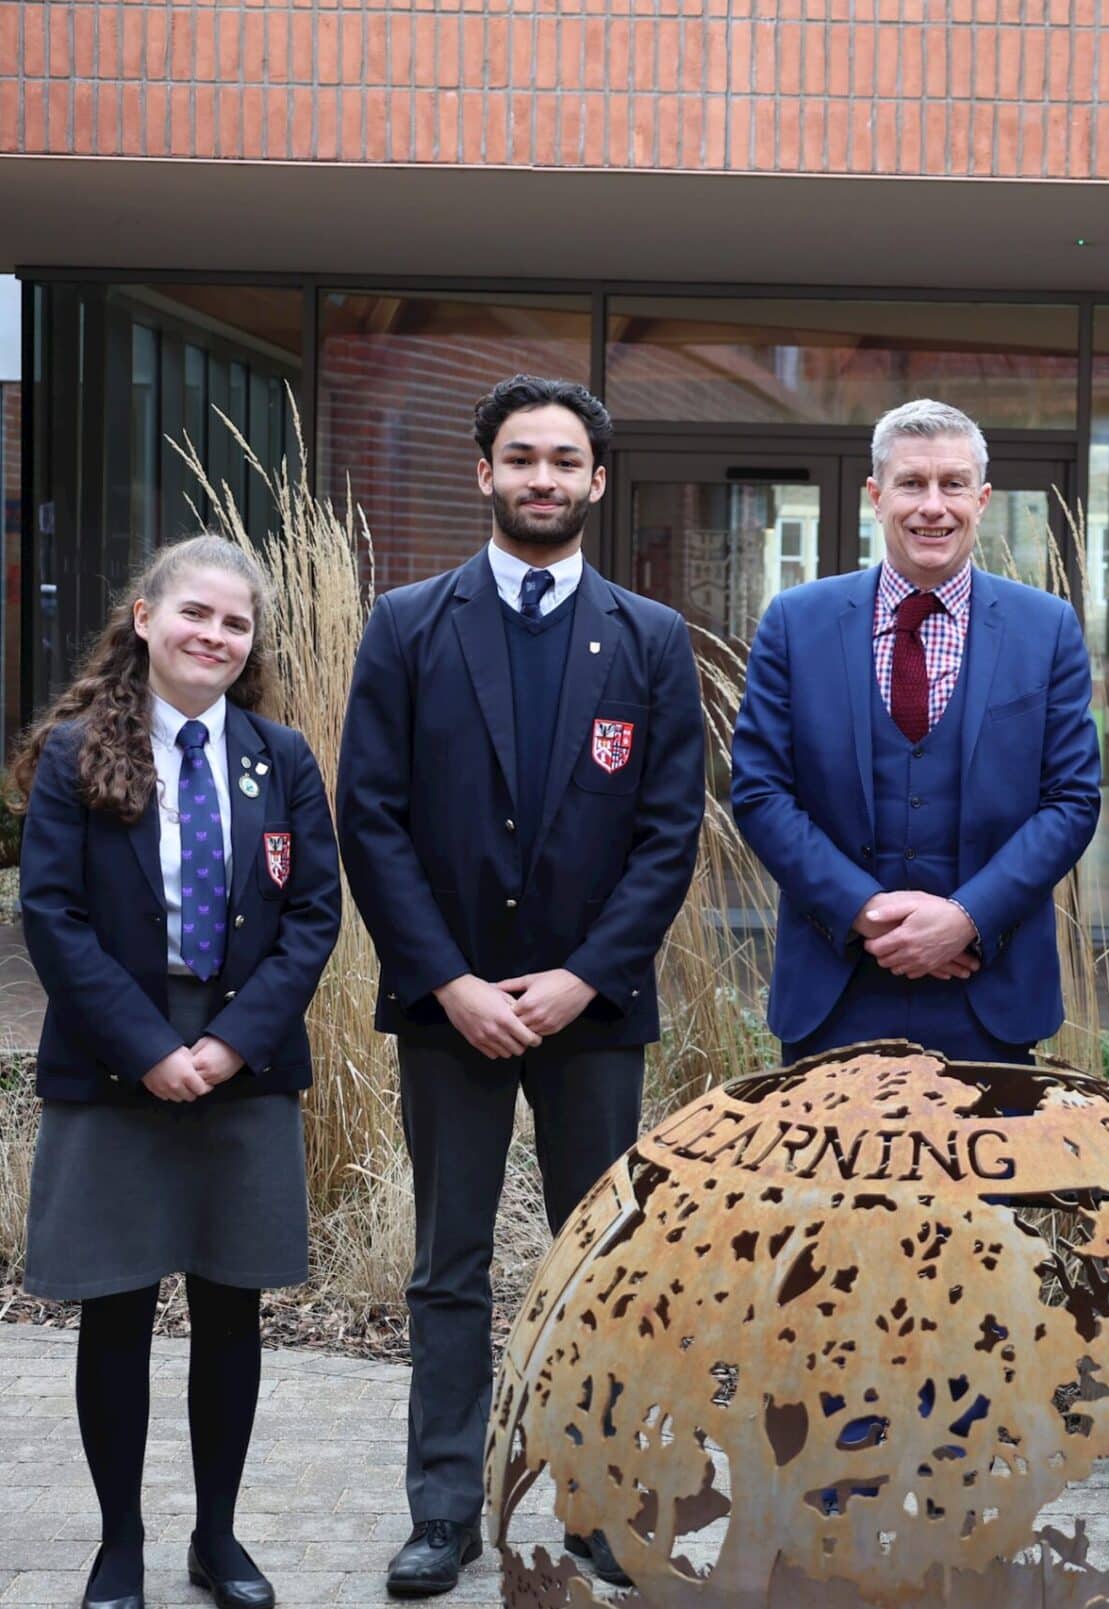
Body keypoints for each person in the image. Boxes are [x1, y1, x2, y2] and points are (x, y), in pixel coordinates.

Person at [337, 375, 706, 1597]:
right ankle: (444, 1509)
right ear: (483, 473)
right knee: (449, 1267)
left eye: (564, 461)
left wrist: (580, 977)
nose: (542, 478)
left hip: (590, 1016)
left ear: (598, 481)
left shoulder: (649, 639)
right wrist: (448, 981)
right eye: (520, 458)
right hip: (449, 1014)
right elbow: (371, 817)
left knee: (594, 1262)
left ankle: (599, 1504)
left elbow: (665, 835)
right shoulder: (408, 625)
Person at [15, 535, 341, 1609]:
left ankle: (218, 1535)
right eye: (195, 613)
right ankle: (118, 1544)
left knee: (230, 1307)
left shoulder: (279, 755)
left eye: (235, 623)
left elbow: (312, 916)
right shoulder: (74, 753)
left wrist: (230, 1042)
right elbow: (53, 917)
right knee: (115, 1307)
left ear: (251, 646)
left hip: (241, 1058)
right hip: (117, 1057)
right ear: (146, 617)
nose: (214, 635)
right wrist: (150, 1047)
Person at [730, 397, 1099, 1066]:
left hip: (990, 994)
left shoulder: (1047, 629)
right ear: (875, 495)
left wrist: (966, 918)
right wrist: (864, 909)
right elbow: (760, 792)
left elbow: (1072, 801)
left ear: (982, 499)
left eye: (953, 484)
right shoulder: (795, 622)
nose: (934, 505)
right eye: (911, 483)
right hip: (835, 990)